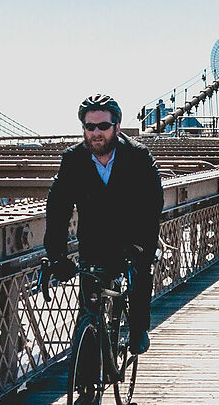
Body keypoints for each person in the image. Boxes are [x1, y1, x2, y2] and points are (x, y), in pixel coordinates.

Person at [44, 93, 165, 354]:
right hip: (94, 241)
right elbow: (57, 209)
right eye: (89, 127)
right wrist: (57, 256)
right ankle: (86, 383)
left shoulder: (138, 157)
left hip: (132, 239)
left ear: (117, 127)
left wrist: (143, 244)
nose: (96, 132)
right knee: (88, 307)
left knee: (139, 275)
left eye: (103, 126)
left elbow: (153, 204)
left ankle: (138, 328)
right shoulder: (73, 159)